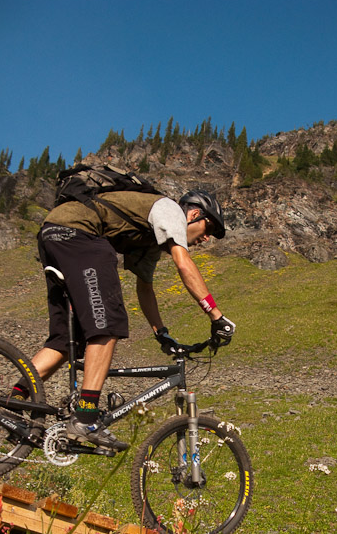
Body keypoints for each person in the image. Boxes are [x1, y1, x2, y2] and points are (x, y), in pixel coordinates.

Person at [12, 187, 235, 452]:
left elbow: (145, 288)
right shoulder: (171, 210)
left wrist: (161, 333)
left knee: (66, 341)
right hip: (78, 232)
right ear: (194, 214)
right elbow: (183, 264)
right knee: (107, 325)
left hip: (54, 234)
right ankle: (86, 418)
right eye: (209, 228)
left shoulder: (150, 240)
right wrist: (216, 316)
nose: (207, 238)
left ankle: (13, 402)